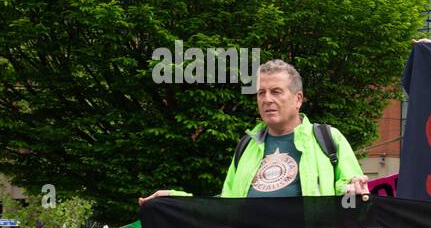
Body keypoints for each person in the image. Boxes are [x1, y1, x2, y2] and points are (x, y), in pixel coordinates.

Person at [139, 59, 368, 202]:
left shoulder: (328, 139)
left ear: (298, 99)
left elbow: (349, 191)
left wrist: (353, 189)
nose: (267, 99)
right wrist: (176, 201)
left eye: (276, 92)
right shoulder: (246, 146)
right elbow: (226, 205)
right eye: (261, 93)